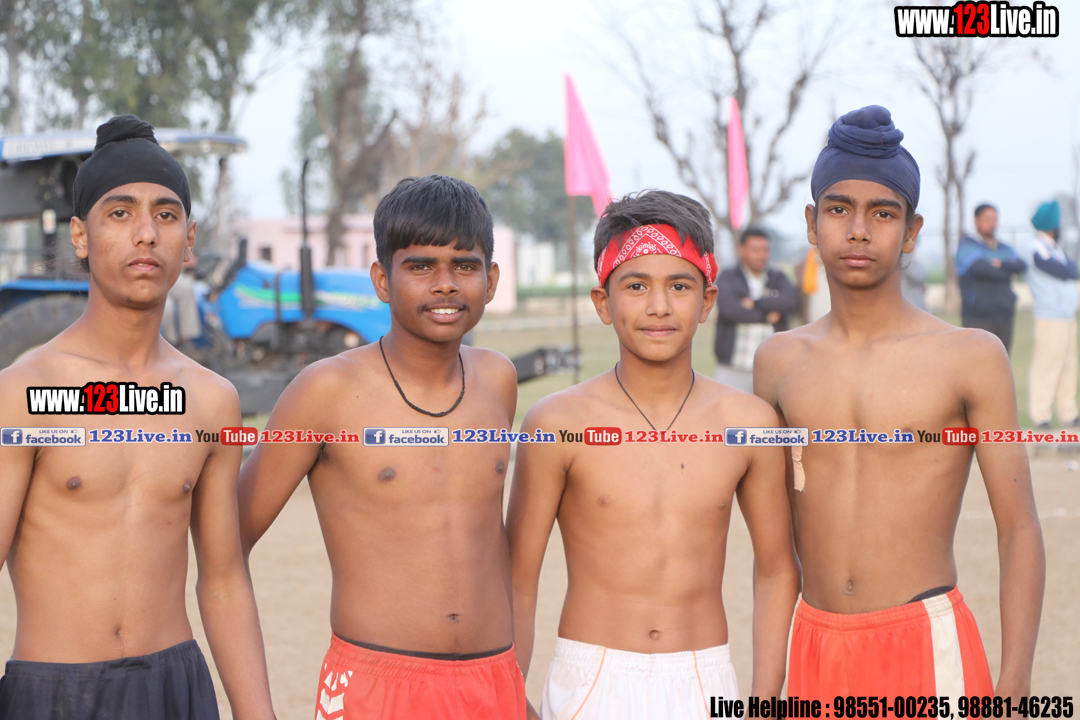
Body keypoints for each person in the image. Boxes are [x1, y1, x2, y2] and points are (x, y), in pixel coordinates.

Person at [755, 106, 1044, 700]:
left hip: (925, 646)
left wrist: (1015, 689)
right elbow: (774, 551)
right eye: (839, 209)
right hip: (815, 646)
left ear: (911, 232)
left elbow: (1019, 528)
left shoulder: (970, 356)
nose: (859, 230)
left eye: (883, 213)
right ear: (812, 222)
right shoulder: (779, 362)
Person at [0, 116, 275, 719]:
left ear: (190, 239)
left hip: (176, 690)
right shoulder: (26, 392)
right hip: (54, 695)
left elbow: (224, 580)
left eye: (165, 215)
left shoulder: (211, 402)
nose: (146, 234)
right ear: (80, 235)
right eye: (120, 213)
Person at [237, 175, 526, 720]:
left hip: (492, 680)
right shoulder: (326, 389)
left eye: (464, 266)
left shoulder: (497, 379)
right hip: (377, 686)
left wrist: (513, 687)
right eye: (421, 266)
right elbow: (227, 540)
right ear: (382, 280)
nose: (445, 284)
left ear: (490, 281)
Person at [509, 191, 799, 720]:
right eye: (636, 285)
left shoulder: (749, 423)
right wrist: (510, 696)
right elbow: (517, 577)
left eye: (680, 286)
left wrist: (763, 700)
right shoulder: (557, 423)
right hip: (591, 682)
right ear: (603, 302)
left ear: (707, 301)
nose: (659, 306)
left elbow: (778, 568)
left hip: (704, 681)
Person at [713, 226, 799, 392]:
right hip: (733, 368)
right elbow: (729, 309)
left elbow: (790, 301)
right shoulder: (728, 277)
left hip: (771, 369)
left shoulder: (778, 277)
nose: (761, 255)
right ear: (742, 250)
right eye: (755, 249)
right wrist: (766, 317)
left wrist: (756, 302)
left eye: (765, 250)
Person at [1025, 199, 1079, 429]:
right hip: (1050, 316)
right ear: (1052, 225)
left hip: (1067, 316)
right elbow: (1063, 270)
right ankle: (1041, 415)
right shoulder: (1036, 246)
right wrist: (1071, 268)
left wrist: (1071, 268)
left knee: (1068, 365)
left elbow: (1071, 269)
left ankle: (1068, 412)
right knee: (1047, 366)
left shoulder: (1055, 247)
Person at [957, 203, 1026, 354]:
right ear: (976, 220)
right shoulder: (967, 245)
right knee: (978, 361)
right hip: (978, 316)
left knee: (1003, 361)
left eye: (995, 219)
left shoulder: (1003, 247)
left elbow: (1021, 265)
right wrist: (1008, 270)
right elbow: (982, 268)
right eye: (987, 219)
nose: (992, 223)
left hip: (1005, 314)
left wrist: (1001, 264)